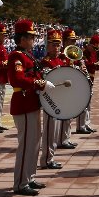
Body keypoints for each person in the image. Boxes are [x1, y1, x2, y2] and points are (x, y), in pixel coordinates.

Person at [8, 19, 52, 196]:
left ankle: (29, 177)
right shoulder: (16, 56)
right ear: (22, 38)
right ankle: (20, 183)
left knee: (34, 143)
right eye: (31, 37)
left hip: (32, 103)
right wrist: (39, 83)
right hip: (23, 102)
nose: (34, 40)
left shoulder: (28, 55)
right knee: (26, 144)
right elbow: (17, 80)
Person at [39, 29, 66, 170]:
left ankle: (50, 157)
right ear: (47, 46)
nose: (57, 48)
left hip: (58, 99)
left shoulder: (60, 60)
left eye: (58, 44)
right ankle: (47, 159)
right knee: (49, 131)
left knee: (54, 131)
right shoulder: (46, 62)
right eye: (53, 45)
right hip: (50, 101)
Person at [77, 34, 99, 134]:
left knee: (88, 104)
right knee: (83, 104)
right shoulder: (83, 53)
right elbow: (87, 65)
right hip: (83, 80)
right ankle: (81, 126)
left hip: (91, 79)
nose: (95, 50)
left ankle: (86, 124)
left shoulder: (93, 53)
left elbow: (94, 67)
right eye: (94, 48)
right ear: (90, 45)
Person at [58, 27, 80, 150]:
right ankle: (62, 139)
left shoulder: (72, 54)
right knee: (64, 115)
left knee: (69, 115)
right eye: (71, 41)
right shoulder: (61, 55)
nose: (74, 43)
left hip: (69, 88)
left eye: (74, 41)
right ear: (65, 41)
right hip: (63, 89)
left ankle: (66, 138)